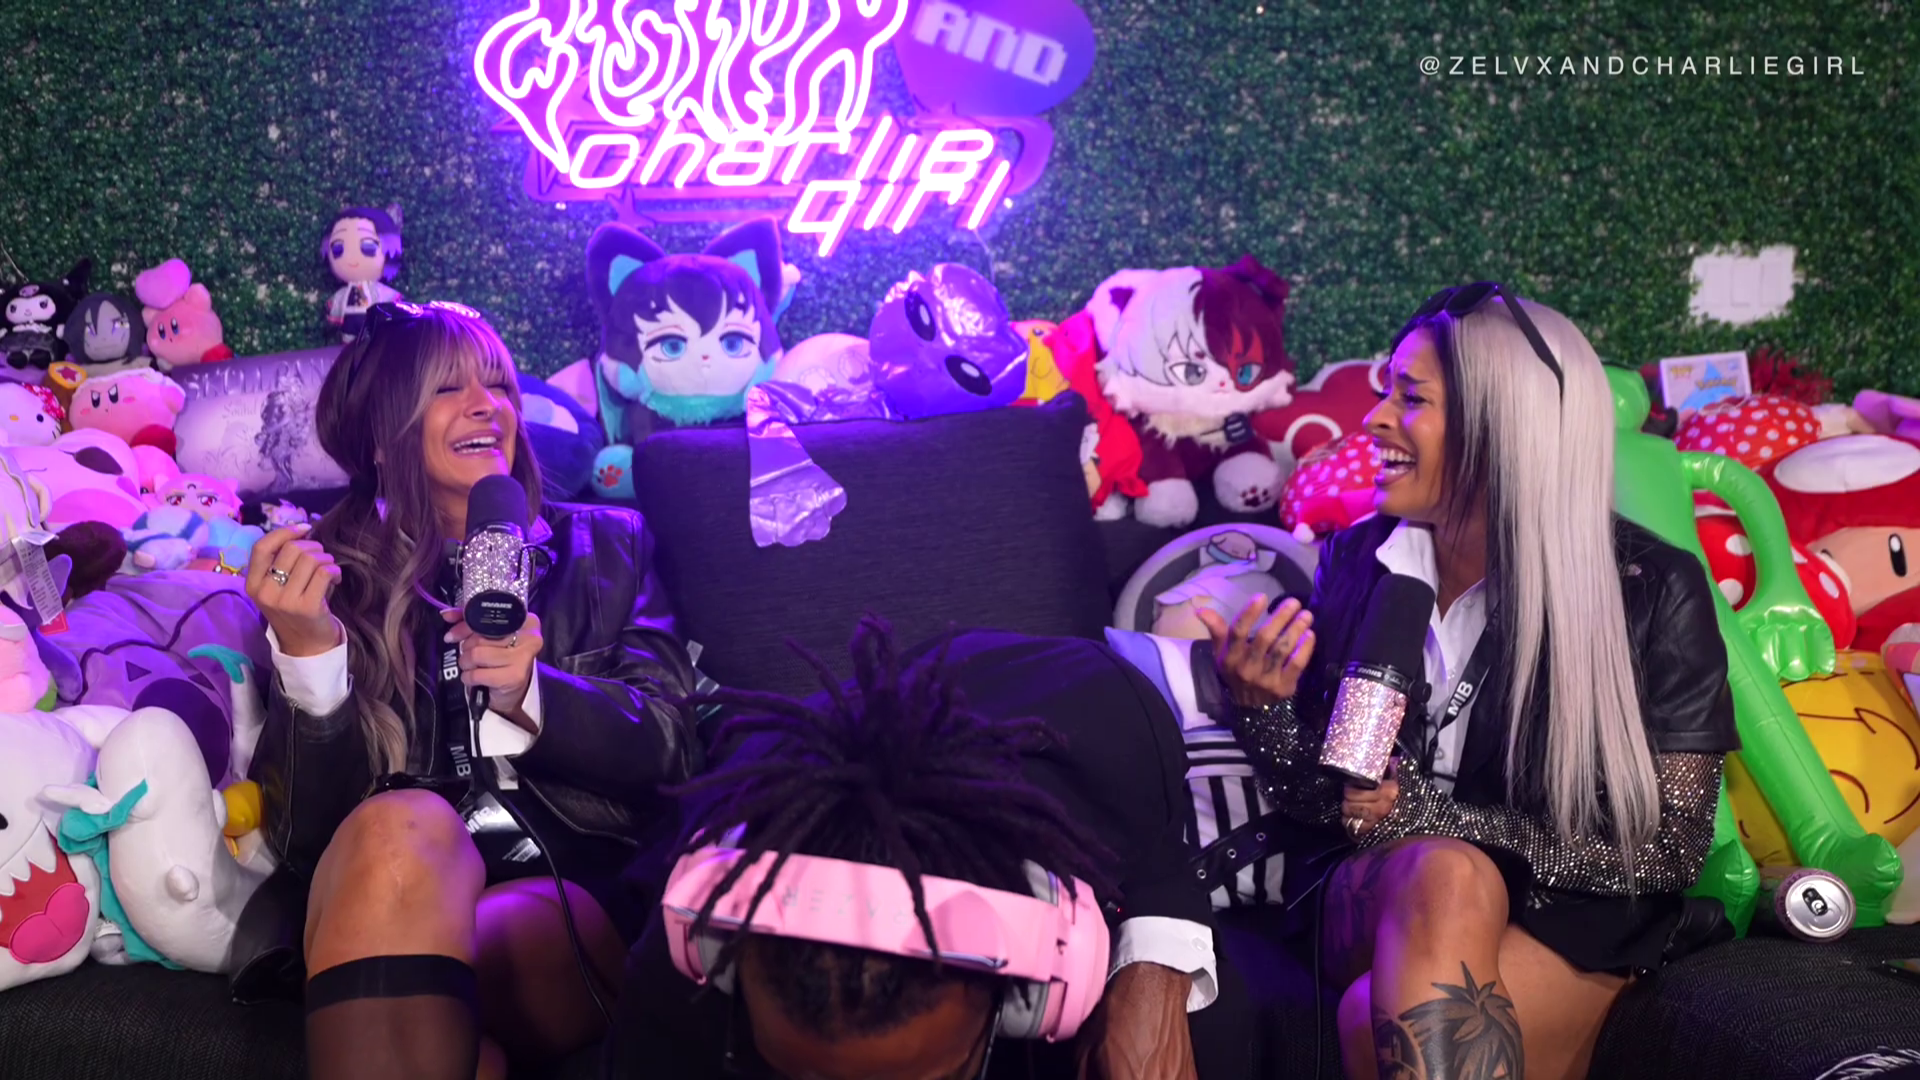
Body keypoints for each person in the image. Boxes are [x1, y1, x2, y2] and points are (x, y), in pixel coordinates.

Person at [1198, 284, 1736, 1080]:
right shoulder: (1361, 562)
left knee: (1371, 1025)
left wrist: (1443, 818)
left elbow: (1670, 852)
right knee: (1445, 872)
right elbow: (1335, 804)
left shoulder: (1651, 589)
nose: (1375, 420)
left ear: (1502, 428)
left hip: (1564, 915)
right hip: (1372, 893)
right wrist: (1264, 713)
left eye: (1410, 398)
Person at [243, 300, 698, 1080]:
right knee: (404, 834)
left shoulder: (609, 548)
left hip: (567, 887)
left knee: (437, 960)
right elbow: (300, 841)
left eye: (499, 385)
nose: (489, 405)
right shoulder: (325, 583)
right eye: (448, 389)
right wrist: (311, 660)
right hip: (386, 878)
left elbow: (675, 747)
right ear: (383, 434)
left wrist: (533, 695)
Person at [604, 617, 1246, 1080]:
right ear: (717, 957)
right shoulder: (673, 980)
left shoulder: (1113, 745)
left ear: (1033, 998)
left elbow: (1155, 848)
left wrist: (1155, 966)